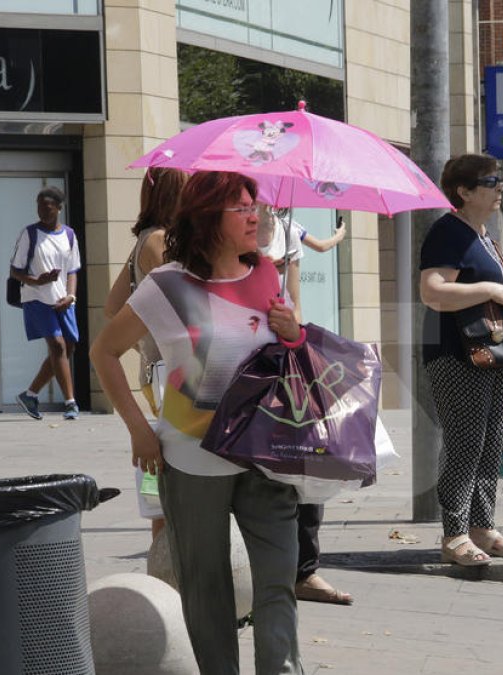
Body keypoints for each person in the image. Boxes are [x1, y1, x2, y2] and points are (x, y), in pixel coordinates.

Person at [91, 171, 304, 674]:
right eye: (243, 208)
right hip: (191, 459)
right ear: (210, 217)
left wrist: (294, 333)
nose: (257, 216)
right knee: (206, 591)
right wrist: (139, 430)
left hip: (267, 453)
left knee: (278, 580)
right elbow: (104, 352)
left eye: (258, 206)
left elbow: (287, 355)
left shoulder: (267, 273)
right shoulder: (169, 284)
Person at [419, 153, 503, 567]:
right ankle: (455, 534)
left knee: (490, 444)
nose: (499, 188)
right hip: (457, 354)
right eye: (490, 181)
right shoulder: (448, 232)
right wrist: (490, 289)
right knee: (465, 443)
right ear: (463, 191)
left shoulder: (482, 235)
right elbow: (432, 291)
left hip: (493, 355)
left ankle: (483, 527)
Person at [256, 205, 353, 605]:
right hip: (237, 364)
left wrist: (292, 335)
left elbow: (295, 303)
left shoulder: (285, 228)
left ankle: (304, 571)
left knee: (307, 459)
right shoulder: (220, 231)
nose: (254, 208)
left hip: (282, 357)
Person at [105, 167, 188, 540]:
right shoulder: (160, 243)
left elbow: (112, 305)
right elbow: (186, 305)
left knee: (164, 473)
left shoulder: (143, 241)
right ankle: (166, 559)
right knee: (168, 476)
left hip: (155, 371)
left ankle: (163, 554)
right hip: (169, 371)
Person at [10, 186, 82, 420]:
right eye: (39, 205)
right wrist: (36, 281)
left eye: (47, 207)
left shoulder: (69, 235)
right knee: (58, 346)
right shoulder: (29, 234)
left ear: (59, 209)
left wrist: (71, 296)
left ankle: (30, 395)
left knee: (68, 347)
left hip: (63, 299)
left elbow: (72, 270)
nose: (42, 210)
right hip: (37, 298)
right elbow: (15, 271)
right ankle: (71, 403)